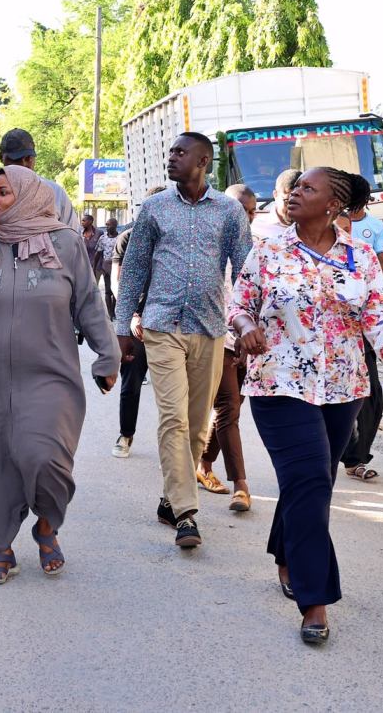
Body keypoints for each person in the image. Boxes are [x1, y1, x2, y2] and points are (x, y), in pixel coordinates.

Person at [230, 167, 383, 645]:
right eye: (294, 188)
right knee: (312, 478)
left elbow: (380, 318)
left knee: (312, 480)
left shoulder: (359, 256)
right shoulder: (270, 247)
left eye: (307, 189)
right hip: (278, 383)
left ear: (333, 204)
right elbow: (240, 302)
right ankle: (314, 600)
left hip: (344, 387)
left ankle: (285, 550)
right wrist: (244, 326)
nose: (295, 193)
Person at [0, 166, 118, 585]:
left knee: (46, 457)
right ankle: (2, 548)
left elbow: (88, 303)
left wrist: (108, 356)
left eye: (3, 193)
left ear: (29, 196)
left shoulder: (65, 245)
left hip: (50, 372)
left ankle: (46, 524)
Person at [115, 134, 251, 550]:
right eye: (170, 151)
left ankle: (168, 499)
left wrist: (247, 324)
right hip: (161, 326)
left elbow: (245, 271)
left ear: (203, 161)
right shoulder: (154, 208)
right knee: (173, 417)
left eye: (179, 152)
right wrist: (123, 326)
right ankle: (187, 515)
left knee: (197, 425)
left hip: (210, 328)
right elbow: (135, 268)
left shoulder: (229, 212)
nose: (171, 157)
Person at [197, 183, 258, 512]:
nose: (243, 217)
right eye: (237, 210)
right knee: (228, 407)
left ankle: (204, 465)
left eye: (248, 212)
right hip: (216, 338)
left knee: (230, 410)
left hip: (249, 342)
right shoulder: (208, 247)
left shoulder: (259, 250)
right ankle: (241, 485)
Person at [339, 179, 383, 481]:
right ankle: (343, 454)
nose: (344, 236)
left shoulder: (364, 254)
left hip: (363, 335)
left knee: (371, 397)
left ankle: (356, 458)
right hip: (330, 347)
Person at [0, 128, 78, 256]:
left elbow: (73, 245)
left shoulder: (56, 194)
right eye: (15, 160)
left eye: (28, 158)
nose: (24, 164)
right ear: (2, 158)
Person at [111, 186, 166, 459]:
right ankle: (125, 435)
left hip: (168, 324)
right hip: (136, 323)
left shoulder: (174, 239)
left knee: (173, 394)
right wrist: (130, 317)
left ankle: (172, 450)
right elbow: (118, 281)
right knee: (131, 383)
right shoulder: (127, 239)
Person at [252, 169, 301, 240]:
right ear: (275, 195)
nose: (293, 209)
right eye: (288, 202)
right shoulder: (255, 228)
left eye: (299, 203)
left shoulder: (315, 227)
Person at [97, 218, 118, 320]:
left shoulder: (120, 237)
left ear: (115, 225)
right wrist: (94, 267)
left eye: (109, 225)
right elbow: (98, 252)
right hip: (106, 265)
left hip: (117, 265)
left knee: (116, 290)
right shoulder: (103, 237)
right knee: (107, 290)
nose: (107, 227)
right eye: (106, 225)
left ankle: (114, 311)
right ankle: (109, 313)